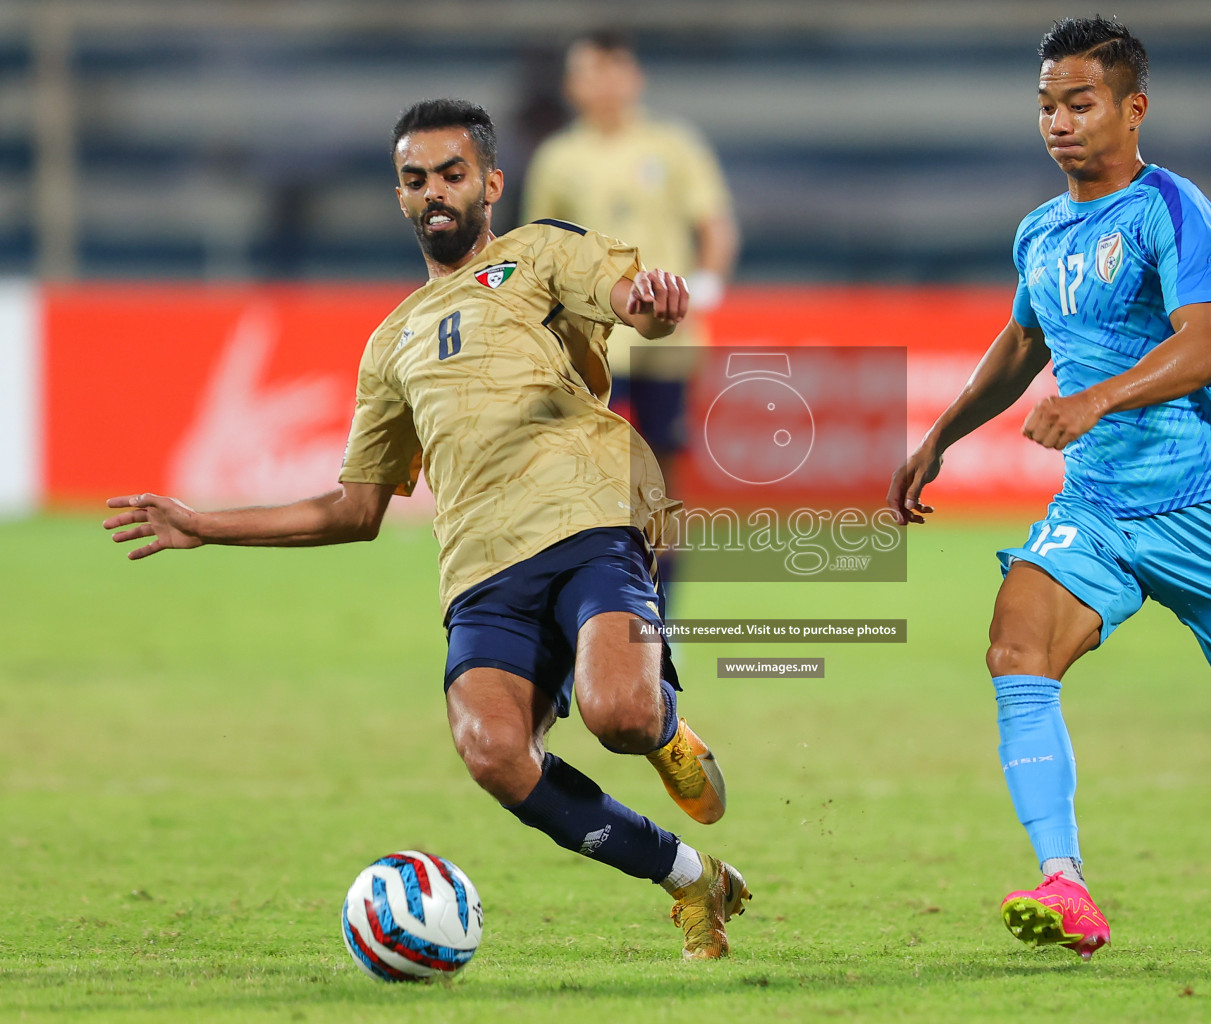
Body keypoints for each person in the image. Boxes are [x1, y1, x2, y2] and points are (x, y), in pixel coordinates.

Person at [103, 99, 749, 961]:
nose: (434, 192)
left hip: (589, 514)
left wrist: (658, 305)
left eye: (451, 175)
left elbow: (635, 303)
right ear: (400, 197)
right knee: (493, 752)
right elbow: (356, 508)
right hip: (481, 567)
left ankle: (664, 731)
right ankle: (691, 880)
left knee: (619, 714)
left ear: (490, 183)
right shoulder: (389, 343)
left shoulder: (541, 253)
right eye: (416, 180)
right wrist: (205, 524)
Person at [888, 18, 1211, 961]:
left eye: (1080, 104)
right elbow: (1023, 345)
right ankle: (1064, 883)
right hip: (1099, 511)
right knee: (1015, 647)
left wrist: (1094, 401)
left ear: (1133, 109)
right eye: (1046, 105)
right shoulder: (1040, 231)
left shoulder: (1174, 208)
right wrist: (940, 437)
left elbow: (1208, 344)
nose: (1059, 123)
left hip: (1204, 508)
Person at [523, 28, 738, 581]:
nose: (605, 82)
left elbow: (715, 225)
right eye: (592, 70)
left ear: (634, 76)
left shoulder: (672, 147)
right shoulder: (559, 159)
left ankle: (662, 620)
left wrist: (708, 279)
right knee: (596, 480)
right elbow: (539, 248)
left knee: (663, 480)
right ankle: (598, 615)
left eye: (614, 68)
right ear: (573, 85)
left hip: (666, 339)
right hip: (591, 345)